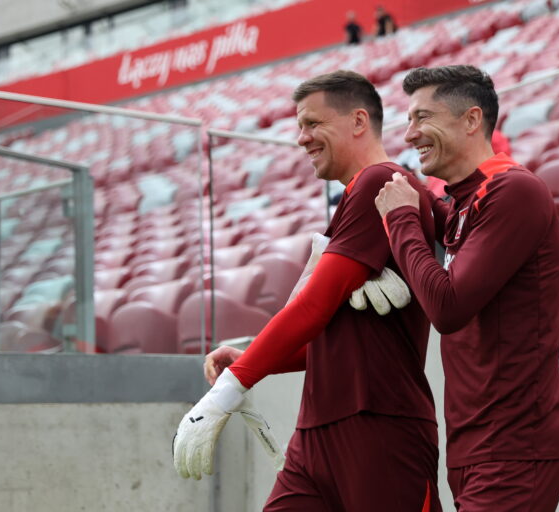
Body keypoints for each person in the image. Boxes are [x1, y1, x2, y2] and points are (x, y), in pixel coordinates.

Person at [173, 70, 443, 512]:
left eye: (312, 123)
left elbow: (314, 307)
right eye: (300, 126)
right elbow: (334, 334)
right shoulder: (359, 197)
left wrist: (227, 392)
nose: (301, 138)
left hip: (379, 425)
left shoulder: (382, 183)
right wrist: (258, 357)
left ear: (359, 121)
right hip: (319, 433)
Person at [374, 65, 559, 511]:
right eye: (407, 120)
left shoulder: (514, 190)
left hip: (514, 449)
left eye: (422, 118)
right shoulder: (464, 204)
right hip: (476, 451)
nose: (409, 135)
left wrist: (402, 218)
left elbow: (447, 307)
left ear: (470, 120)